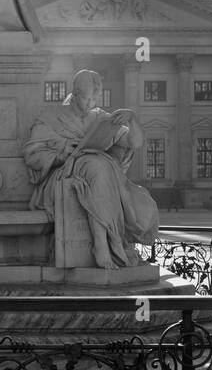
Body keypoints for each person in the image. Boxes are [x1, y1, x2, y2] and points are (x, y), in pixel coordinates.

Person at [23, 70, 158, 269]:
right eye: (87, 99)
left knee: (99, 164)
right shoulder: (52, 116)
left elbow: (134, 142)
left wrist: (132, 118)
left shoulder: (101, 118)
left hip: (99, 170)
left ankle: (106, 241)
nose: (91, 104)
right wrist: (62, 154)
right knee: (98, 165)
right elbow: (32, 154)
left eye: (95, 99)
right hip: (62, 172)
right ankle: (101, 243)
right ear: (74, 94)